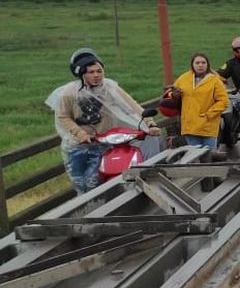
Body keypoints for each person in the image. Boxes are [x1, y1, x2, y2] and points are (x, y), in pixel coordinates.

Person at [49, 48, 160, 194]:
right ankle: (87, 211)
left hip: (102, 143)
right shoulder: (69, 93)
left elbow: (131, 106)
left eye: (99, 71)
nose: (96, 75)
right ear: (81, 74)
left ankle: (106, 207)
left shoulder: (109, 88)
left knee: (95, 180)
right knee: (80, 182)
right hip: (77, 145)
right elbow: (63, 116)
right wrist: (80, 134)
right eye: (91, 72)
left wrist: (149, 123)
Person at [173, 52, 229, 148]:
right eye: (197, 63)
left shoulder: (215, 80)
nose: (200, 65)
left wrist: (209, 114)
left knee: (209, 156)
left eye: (203, 63)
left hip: (208, 125)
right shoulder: (183, 79)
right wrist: (174, 95)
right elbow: (171, 94)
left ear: (207, 65)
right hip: (190, 126)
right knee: (194, 158)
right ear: (192, 65)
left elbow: (223, 101)